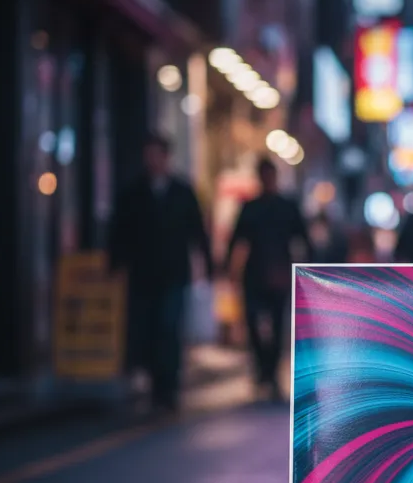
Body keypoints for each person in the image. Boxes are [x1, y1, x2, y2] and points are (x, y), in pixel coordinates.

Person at [109, 132, 213, 413]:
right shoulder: (133, 192)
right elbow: (119, 231)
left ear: (166, 157)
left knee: (169, 329)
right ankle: (155, 385)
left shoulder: (182, 191)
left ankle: (168, 388)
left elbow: (198, 233)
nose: (152, 160)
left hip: (173, 274)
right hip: (142, 274)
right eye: (148, 154)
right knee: (146, 329)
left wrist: (207, 266)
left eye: (157, 154)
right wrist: (115, 265)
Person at [227, 157, 309, 400]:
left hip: (279, 274)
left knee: (276, 325)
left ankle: (270, 372)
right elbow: (237, 238)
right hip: (254, 274)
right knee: (253, 323)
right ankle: (262, 369)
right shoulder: (251, 207)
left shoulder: (287, 207)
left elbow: (303, 239)